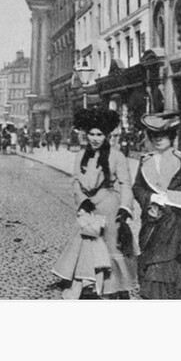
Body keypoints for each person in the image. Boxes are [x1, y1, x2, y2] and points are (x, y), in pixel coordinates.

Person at [51, 107, 137, 300]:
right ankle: (89, 290)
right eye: (91, 134)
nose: (95, 138)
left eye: (99, 134)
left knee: (111, 251)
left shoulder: (117, 156)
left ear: (106, 135)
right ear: (86, 134)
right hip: (89, 213)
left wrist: (125, 208)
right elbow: (75, 181)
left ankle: (112, 292)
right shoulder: (80, 156)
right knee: (87, 250)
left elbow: (125, 184)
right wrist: (82, 201)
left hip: (110, 212)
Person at [131, 112, 181, 300]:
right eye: (153, 136)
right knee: (153, 269)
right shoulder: (146, 160)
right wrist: (150, 198)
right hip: (153, 223)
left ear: (171, 136)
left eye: (163, 135)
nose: (158, 140)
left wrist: (173, 196)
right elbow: (137, 187)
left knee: (178, 273)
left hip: (177, 223)